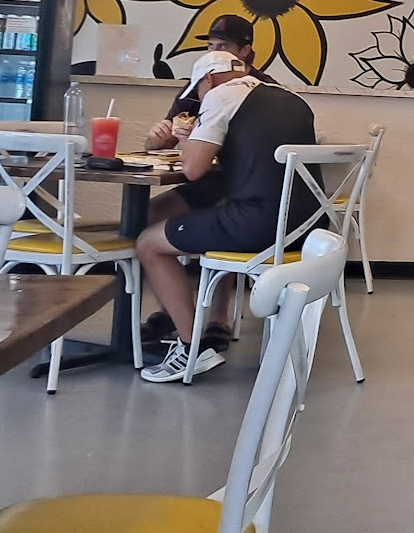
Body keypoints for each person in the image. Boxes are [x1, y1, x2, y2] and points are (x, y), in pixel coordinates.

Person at [134, 50, 316, 382]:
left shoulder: (220, 96)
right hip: (306, 229)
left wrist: (190, 139)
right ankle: (193, 328)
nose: (200, 99)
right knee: (191, 213)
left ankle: (191, 349)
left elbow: (192, 170)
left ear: (209, 79)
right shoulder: (291, 98)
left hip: (258, 223)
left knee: (148, 242)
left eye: (199, 91)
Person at [143, 13, 274, 150]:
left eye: (223, 46)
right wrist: (158, 139)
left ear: (245, 51)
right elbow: (162, 143)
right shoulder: (198, 85)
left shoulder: (266, 89)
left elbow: (266, 144)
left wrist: (202, 138)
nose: (213, 53)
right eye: (211, 46)